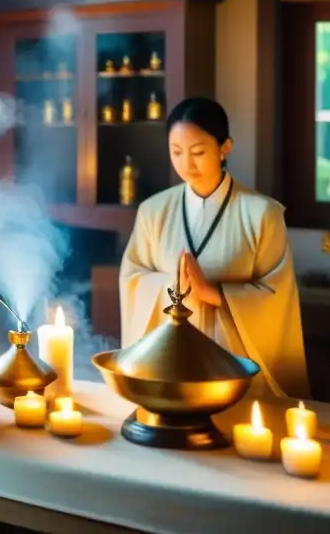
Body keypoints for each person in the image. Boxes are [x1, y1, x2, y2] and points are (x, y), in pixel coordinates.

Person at [119, 96, 308, 399]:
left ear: (225, 148)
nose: (186, 163)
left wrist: (214, 294)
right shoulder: (153, 211)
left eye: (198, 152)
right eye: (176, 152)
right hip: (170, 363)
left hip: (235, 367)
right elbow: (132, 277)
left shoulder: (263, 214)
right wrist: (171, 284)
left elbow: (278, 295)